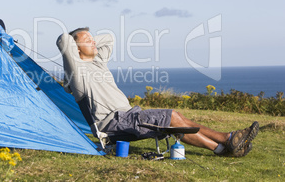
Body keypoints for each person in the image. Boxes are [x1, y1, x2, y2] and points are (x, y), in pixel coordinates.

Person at [56, 27, 259, 157]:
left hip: (129, 115)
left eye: (93, 39)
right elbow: (63, 40)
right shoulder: (78, 71)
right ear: (76, 48)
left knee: (176, 119)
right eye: (87, 40)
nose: (93, 42)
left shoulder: (98, 62)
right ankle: (227, 139)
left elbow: (109, 38)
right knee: (171, 117)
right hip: (114, 122)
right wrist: (77, 41)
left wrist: (87, 39)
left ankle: (223, 146)